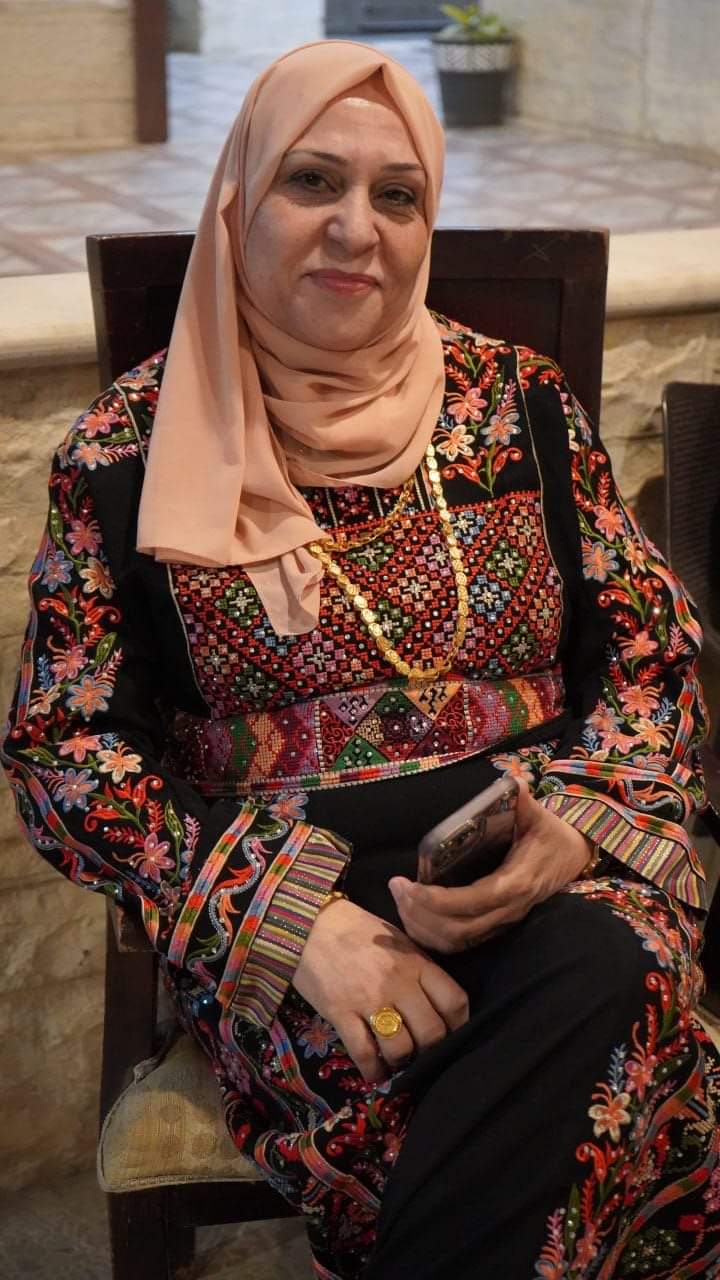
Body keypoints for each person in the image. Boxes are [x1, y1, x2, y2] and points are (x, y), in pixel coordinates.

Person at [3, 40, 720, 1280]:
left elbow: (651, 643)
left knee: (612, 959)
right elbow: (65, 748)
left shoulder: (519, 402)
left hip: (545, 859)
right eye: (312, 181)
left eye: (398, 195)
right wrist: (286, 925)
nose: (356, 229)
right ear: (240, 200)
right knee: (604, 1048)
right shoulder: (129, 450)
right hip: (297, 908)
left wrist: (579, 827)